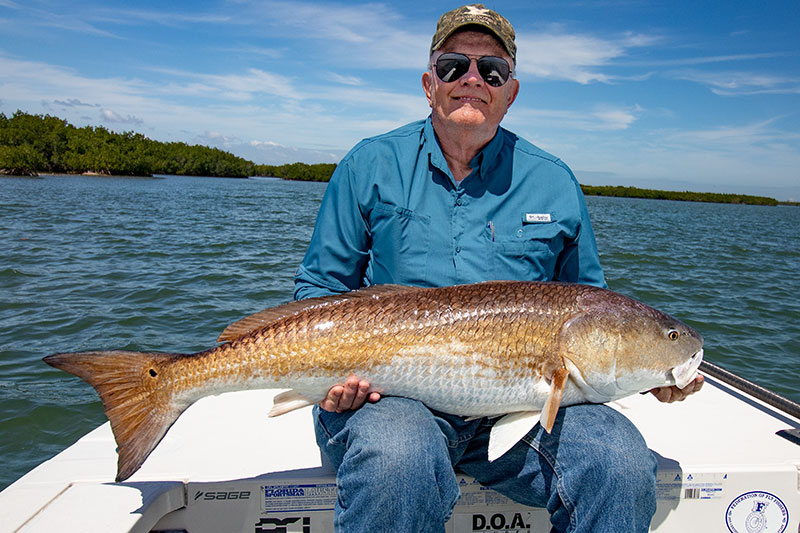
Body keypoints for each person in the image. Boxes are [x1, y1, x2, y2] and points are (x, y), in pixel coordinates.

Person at [294, 4, 703, 532]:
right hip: (391, 398)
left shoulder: (555, 182)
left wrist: (651, 372)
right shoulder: (368, 164)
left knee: (618, 464)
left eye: (492, 71)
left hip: (529, 410)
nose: (472, 81)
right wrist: (330, 377)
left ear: (510, 91)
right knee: (399, 458)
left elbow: (595, 314)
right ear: (428, 83)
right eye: (452, 66)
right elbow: (320, 290)